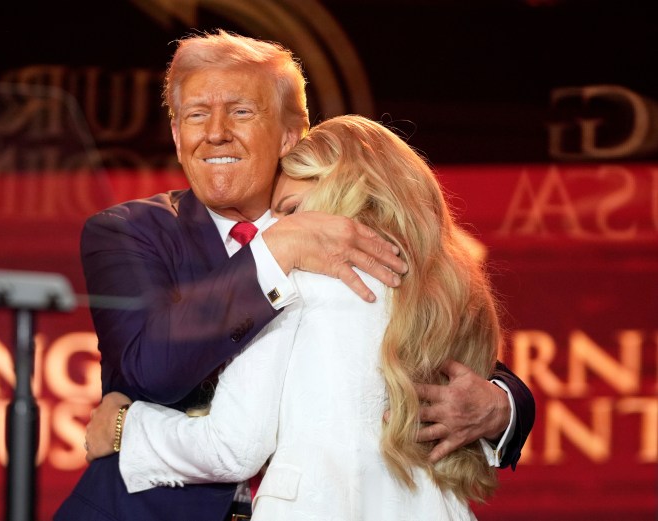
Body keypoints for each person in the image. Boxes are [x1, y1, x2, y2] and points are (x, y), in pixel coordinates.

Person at [55, 30, 533, 521]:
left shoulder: (348, 238)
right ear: (177, 135)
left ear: (291, 133)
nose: (215, 132)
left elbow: (427, 333)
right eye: (196, 114)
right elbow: (149, 369)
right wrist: (275, 253)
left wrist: (502, 406)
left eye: (241, 111)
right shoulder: (128, 231)